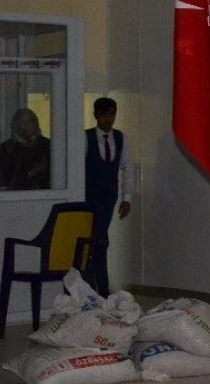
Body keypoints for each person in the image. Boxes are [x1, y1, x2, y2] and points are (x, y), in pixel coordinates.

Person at [84, 97, 135, 297]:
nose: (108, 120)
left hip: (108, 197)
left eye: (111, 115)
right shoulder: (86, 138)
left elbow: (128, 169)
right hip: (88, 196)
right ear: (96, 115)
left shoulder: (121, 139)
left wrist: (127, 198)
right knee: (96, 240)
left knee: (98, 238)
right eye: (104, 115)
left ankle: (97, 287)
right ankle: (99, 287)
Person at [0, 107, 51, 190]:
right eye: (22, 122)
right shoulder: (7, 146)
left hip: (44, 194)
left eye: (30, 121)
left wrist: (41, 168)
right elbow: (0, 180)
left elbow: (56, 175)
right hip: (16, 195)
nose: (26, 125)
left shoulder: (46, 144)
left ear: (36, 124)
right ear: (16, 125)